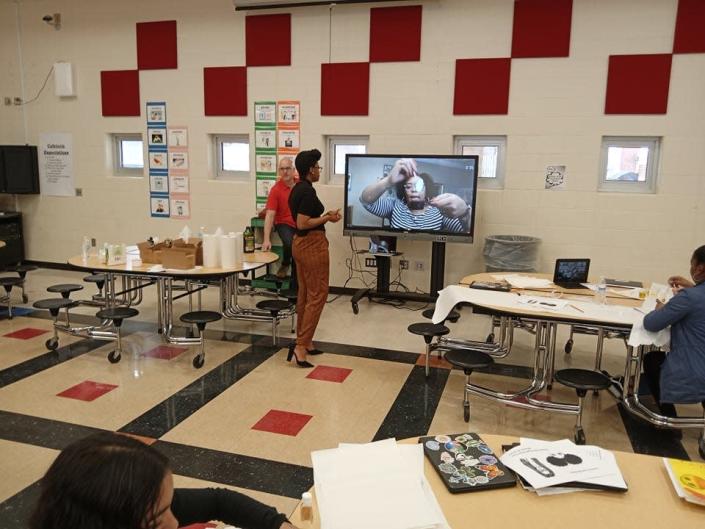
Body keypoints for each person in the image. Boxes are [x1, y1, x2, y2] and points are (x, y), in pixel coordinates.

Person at [29, 432, 298, 529]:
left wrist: (277, 525)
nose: (176, 522)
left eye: (171, 506)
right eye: (159, 520)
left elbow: (219, 501)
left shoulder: (142, 504)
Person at [287, 148, 341, 368]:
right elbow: (302, 223)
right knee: (318, 294)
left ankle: (305, 341)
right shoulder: (307, 192)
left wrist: (324, 217)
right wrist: (327, 217)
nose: (319, 170)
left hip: (300, 245)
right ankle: (301, 346)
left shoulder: (299, 188)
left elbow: (303, 221)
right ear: (310, 170)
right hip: (311, 245)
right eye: (317, 167)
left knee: (306, 294)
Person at [642, 245, 705, 417]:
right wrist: (692, 286)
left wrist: (661, 308)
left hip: (696, 369)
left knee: (652, 360)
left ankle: (668, 419)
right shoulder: (692, 294)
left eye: (692, 265)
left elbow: (651, 323)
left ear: (700, 268)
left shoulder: (688, 298)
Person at [359, 158, 470, 232]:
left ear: (426, 190)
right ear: (404, 191)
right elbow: (365, 201)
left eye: (419, 186)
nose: (413, 190)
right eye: (408, 186)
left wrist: (464, 213)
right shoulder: (394, 206)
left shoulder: (439, 211)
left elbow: (465, 230)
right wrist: (388, 181)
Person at [262, 157, 298, 284]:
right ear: (279, 171)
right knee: (290, 243)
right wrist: (266, 239)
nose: (285, 172)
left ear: (293, 170)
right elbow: (270, 215)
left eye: (288, 168)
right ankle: (285, 263)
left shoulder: (301, 185)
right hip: (284, 223)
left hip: (300, 222)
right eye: (282, 169)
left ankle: (299, 283)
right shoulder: (275, 190)